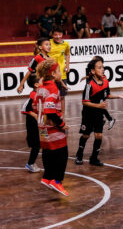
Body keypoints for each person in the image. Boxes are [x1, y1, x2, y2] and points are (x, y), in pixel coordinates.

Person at [75, 58, 123, 166]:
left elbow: (107, 95)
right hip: (88, 114)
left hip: (99, 113)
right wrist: (98, 105)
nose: (103, 69)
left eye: (103, 67)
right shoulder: (89, 85)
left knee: (98, 136)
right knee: (86, 135)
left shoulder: (105, 81)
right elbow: (85, 102)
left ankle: (94, 158)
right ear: (93, 71)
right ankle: (79, 155)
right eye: (99, 67)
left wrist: (119, 96)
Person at [36, 59, 69, 196]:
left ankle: (47, 177)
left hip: (42, 127)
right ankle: (57, 181)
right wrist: (62, 125)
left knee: (47, 151)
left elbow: (35, 104)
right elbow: (50, 110)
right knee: (62, 153)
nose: (61, 73)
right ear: (53, 73)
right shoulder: (52, 88)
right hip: (52, 127)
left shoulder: (41, 86)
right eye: (59, 70)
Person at [48, 26, 70, 117]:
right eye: (55, 34)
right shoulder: (48, 43)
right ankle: (51, 115)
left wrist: (67, 66)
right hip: (50, 75)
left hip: (62, 74)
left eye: (59, 34)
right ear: (52, 35)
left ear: (62, 34)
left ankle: (62, 116)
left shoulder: (66, 44)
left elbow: (67, 54)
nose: (57, 36)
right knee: (50, 97)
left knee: (62, 96)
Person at [21, 75, 41, 173]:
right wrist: (37, 117)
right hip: (33, 125)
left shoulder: (39, 93)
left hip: (40, 124)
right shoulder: (34, 95)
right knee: (36, 145)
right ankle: (30, 163)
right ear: (36, 85)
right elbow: (27, 109)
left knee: (44, 141)